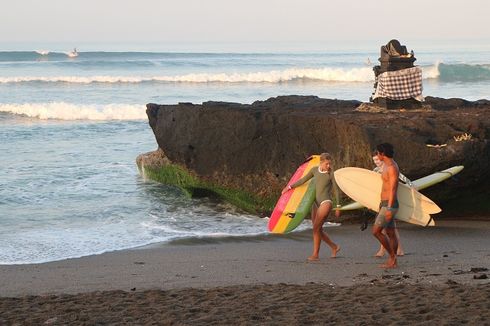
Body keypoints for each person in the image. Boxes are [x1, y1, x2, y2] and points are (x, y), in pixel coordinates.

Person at [282, 153, 341, 261]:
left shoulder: (331, 173)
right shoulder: (314, 170)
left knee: (315, 229)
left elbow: (336, 190)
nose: (329, 166)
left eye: (330, 164)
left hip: (325, 202)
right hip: (315, 203)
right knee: (318, 229)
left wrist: (338, 206)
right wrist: (289, 187)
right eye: (327, 164)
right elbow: (303, 180)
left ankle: (315, 254)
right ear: (321, 162)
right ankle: (334, 247)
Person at [372, 154, 412, 257]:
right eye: (374, 160)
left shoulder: (390, 168)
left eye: (377, 159)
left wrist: (412, 189)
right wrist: (368, 202)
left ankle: (391, 250)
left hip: (389, 202)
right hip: (379, 201)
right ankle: (395, 250)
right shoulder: (375, 171)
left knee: (386, 228)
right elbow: (370, 187)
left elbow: (406, 180)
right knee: (388, 228)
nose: (376, 162)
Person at [372, 143, 399, 268]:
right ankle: (393, 260)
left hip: (389, 204)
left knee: (376, 231)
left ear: (382, 154)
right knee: (390, 232)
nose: (377, 155)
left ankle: (392, 257)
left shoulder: (392, 167)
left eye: (378, 153)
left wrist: (389, 208)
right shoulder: (386, 166)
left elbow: (393, 189)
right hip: (384, 203)